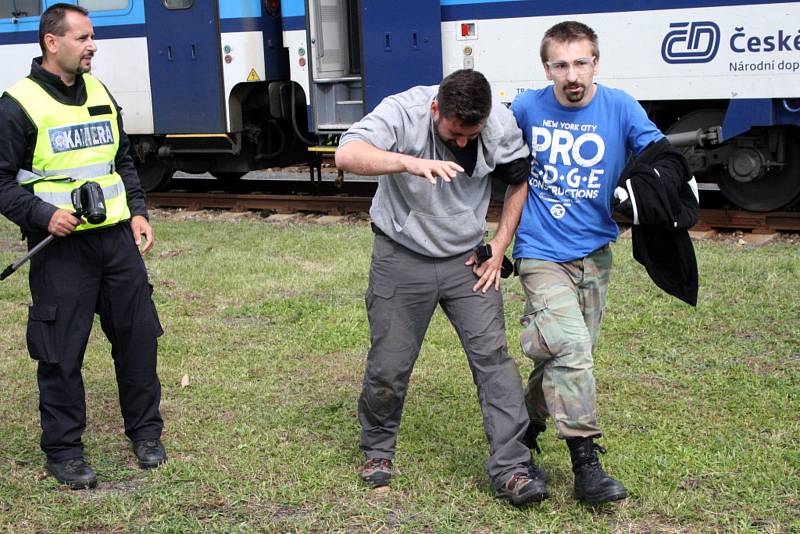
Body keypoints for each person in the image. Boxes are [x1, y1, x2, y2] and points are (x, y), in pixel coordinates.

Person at [335, 69, 549, 506]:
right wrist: (408, 161)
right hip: (401, 254)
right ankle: (377, 450)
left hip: (468, 260)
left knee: (494, 361)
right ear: (437, 109)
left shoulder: (497, 124)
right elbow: (346, 154)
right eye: (456, 133)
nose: (465, 143)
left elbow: (518, 180)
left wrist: (499, 243)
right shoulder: (405, 110)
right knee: (389, 366)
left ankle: (512, 468)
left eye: (473, 134)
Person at [510, 20, 688, 504]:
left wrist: (648, 193)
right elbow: (495, 161)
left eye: (581, 62)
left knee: (565, 356)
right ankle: (586, 464)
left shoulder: (620, 106)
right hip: (540, 251)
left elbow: (661, 157)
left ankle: (521, 431)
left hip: (595, 255)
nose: (572, 74)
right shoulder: (526, 107)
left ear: (596, 63)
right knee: (570, 345)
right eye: (561, 64)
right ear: (546, 68)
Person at [0, 4, 166, 489]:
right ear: (52, 42)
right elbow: (2, 182)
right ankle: (65, 451)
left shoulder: (100, 91)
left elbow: (122, 160)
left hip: (115, 244)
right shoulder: (17, 104)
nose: (92, 45)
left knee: (138, 341)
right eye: (83, 38)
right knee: (60, 353)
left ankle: (146, 434)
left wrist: (138, 210)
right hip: (59, 249)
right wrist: (42, 214)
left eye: (92, 38)